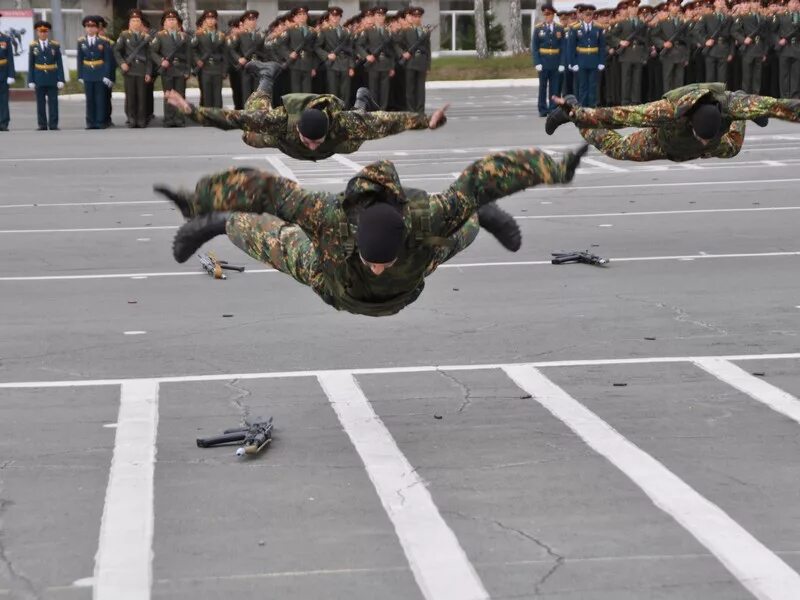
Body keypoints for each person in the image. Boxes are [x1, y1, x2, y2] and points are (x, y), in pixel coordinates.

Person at [155, 145, 588, 317]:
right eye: (373, 260)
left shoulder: (424, 218)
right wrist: (200, 201)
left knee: (458, 225)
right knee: (267, 235)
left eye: (385, 261)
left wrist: (557, 168)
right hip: (334, 278)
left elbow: (485, 176)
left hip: (412, 275)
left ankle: (480, 216)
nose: (378, 269)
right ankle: (217, 225)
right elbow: (265, 190)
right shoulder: (329, 216)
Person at [164, 60, 448, 161]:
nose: (312, 145)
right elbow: (231, 118)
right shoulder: (282, 121)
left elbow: (388, 121)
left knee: (358, 137)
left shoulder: (340, 124)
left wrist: (427, 121)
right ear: (299, 128)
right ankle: (267, 75)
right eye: (309, 140)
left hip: (343, 129)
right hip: (283, 140)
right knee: (249, 132)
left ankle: (362, 99)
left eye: (316, 140)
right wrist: (191, 110)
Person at [546, 82, 800, 161]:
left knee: (731, 146)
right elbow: (622, 116)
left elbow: (782, 106)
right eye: (702, 136)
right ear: (691, 123)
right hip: (663, 141)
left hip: (718, 125)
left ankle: (749, 112)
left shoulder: (729, 104)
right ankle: (573, 108)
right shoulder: (668, 111)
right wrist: (575, 113)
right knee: (618, 149)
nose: (704, 141)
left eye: (706, 138)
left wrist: (708, 141)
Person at [150, 9, 191, 127]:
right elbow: (152, 52)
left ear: (178, 22)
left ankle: (179, 119)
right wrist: (160, 61)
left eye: (174, 19)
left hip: (180, 69)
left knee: (180, 94)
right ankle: (169, 119)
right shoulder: (160, 36)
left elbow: (188, 55)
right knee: (168, 94)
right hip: (167, 70)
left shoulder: (183, 37)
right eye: (169, 20)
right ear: (164, 23)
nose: (171, 22)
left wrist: (188, 71)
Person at [114, 9, 152, 128]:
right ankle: (131, 118)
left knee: (142, 96)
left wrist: (148, 72)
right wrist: (122, 63)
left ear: (141, 23)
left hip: (141, 69)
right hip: (129, 70)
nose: (135, 22)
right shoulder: (124, 35)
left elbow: (149, 56)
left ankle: (141, 119)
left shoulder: (146, 37)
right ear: (129, 23)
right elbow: (116, 51)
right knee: (130, 96)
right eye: (133, 20)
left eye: (137, 20)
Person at [77, 16, 113, 129]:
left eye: (93, 27)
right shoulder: (81, 42)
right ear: (85, 28)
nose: (90, 29)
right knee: (90, 99)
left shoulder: (103, 41)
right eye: (88, 26)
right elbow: (80, 59)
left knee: (100, 99)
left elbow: (107, 60)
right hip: (87, 73)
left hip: (100, 72)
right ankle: (90, 122)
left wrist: (107, 75)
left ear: (97, 29)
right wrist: (80, 75)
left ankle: (100, 121)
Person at [28, 21, 64, 131]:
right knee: (40, 103)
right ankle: (42, 124)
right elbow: (31, 63)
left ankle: (53, 124)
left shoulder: (55, 45)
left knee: (53, 102)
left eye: (45, 32)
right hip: (39, 77)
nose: (43, 34)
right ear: (37, 32)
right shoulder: (33, 46)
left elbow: (59, 63)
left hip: (52, 77)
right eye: (40, 31)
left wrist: (61, 79)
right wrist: (31, 80)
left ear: (48, 32)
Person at [315, 6, 355, 106]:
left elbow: (350, 50)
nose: (335, 19)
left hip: (345, 64)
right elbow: (317, 47)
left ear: (340, 17)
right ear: (329, 17)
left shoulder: (346, 31)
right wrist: (327, 55)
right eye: (333, 16)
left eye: (337, 17)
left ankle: (345, 114)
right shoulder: (324, 31)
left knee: (345, 92)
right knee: (332, 92)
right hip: (332, 65)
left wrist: (351, 66)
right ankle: (333, 113)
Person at [357, 7, 396, 110]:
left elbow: (392, 50)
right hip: (373, 64)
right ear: (374, 16)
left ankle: (382, 110)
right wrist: (366, 56)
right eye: (378, 15)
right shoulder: (368, 31)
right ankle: (375, 111)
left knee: (385, 90)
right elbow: (359, 45)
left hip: (386, 64)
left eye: (383, 15)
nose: (381, 17)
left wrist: (392, 66)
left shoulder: (388, 31)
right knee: (373, 90)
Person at [394, 6, 431, 113]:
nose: (417, 19)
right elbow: (396, 44)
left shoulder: (425, 31)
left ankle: (420, 111)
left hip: (422, 62)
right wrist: (402, 53)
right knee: (410, 89)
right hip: (410, 62)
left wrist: (428, 65)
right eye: (415, 16)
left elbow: (428, 49)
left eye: (419, 16)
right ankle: (411, 111)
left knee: (421, 89)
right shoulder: (406, 31)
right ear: (411, 17)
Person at [569, 3, 606, 108]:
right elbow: (571, 48)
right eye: (586, 15)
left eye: (590, 15)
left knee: (593, 85)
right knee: (583, 86)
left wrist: (601, 62)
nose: (588, 17)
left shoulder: (598, 28)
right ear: (583, 15)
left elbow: (602, 46)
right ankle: (583, 106)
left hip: (594, 60)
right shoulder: (575, 28)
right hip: (581, 60)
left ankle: (592, 106)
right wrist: (573, 63)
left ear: (593, 15)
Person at [532, 4, 566, 117]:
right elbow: (535, 47)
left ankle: (553, 108)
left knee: (554, 87)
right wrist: (537, 62)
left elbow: (563, 47)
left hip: (555, 61)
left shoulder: (559, 28)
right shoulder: (538, 28)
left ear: (553, 15)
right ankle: (542, 109)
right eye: (546, 14)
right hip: (543, 61)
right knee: (542, 87)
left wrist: (562, 63)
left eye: (550, 14)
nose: (548, 17)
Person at [192, 9, 226, 109]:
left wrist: (224, 70)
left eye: (213, 18)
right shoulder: (199, 35)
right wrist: (197, 60)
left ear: (216, 20)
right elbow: (192, 50)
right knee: (206, 94)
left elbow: (225, 54)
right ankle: (207, 117)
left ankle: (218, 117)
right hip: (205, 68)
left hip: (217, 67)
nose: (210, 20)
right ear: (205, 20)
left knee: (217, 94)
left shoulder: (221, 35)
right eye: (208, 18)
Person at [0, 14, 16, 131]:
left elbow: (10, 58)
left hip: (3, 73)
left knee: (3, 99)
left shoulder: (5, 39)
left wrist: (11, 75)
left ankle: (3, 122)